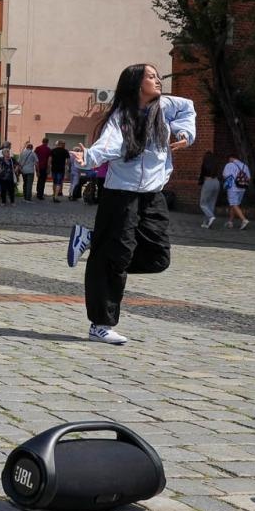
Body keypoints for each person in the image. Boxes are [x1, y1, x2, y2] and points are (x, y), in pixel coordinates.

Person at [65, 63, 196, 346]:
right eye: (151, 76)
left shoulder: (168, 106)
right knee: (115, 257)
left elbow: (188, 109)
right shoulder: (121, 117)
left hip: (153, 194)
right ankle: (101, 325)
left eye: (157, 76)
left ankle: (92, 242)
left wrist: (185, 135)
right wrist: (87, 158)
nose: (158, 80)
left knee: (158, 258)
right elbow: (109, 146)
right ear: (137, 83)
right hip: (120, 195)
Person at [222, 152, 251, 230]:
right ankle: (230, 222)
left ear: (230, 158)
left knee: (233, 203)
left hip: (232, 188)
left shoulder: (229, 165)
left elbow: (225, 175)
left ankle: (244, 220)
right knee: (235, 205)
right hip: (242, 188)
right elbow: (248, 178)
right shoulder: (244, 165)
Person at [197, 150, 222, 228]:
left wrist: (200, 182)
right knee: (211, 204)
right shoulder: (216, 164)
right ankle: (206, 222)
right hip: (217, 182)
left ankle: (211, 217)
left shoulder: (205, 164)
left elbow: (202, 174)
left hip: (208, 182)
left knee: (203, 203)